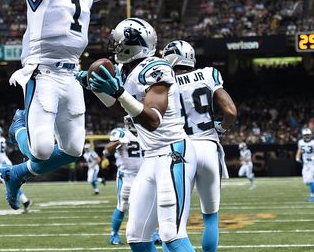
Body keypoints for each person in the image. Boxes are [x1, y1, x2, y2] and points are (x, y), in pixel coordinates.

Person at [0, 0, 156, 209]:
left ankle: (17, 174)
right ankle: (18, 126)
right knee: (41, 148)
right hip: (41, 72)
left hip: (70, 75)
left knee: (71, 149)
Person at [87, 17, 197, 252]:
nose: (114, 44)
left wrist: (117, 92)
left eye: (118, 40)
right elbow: (123, 108)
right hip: (150, 158)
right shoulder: (128, 71)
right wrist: (97, 91)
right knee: (137, 236)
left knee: (172, 234)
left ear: (131, 44)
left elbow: (153, 119)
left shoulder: (156, 68)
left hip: (172, 153)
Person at [162, 39, 238, 252]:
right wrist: (221, 129)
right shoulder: (208, 74)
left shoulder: (163, 81)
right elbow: (231, 112)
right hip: (207, 146)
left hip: (180, 149)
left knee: (175, 222)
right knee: (211, 217)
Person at [103, 117, 144, 245]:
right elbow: (106, 151)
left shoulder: (147, 132)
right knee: (123, 206)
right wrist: (118, 142)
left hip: (144, 175)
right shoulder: (121, 133)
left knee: (147, 205)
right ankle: (114, 234)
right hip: (126, 176)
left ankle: (152, 234)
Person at [0, 125, 31, 213]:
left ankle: (26, 202)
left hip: (2, 166)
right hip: (2, 165)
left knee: (9, 185)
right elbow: (7, 150)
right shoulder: (2, 139)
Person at [295, 127, 314, 202]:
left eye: (308, 135)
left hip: (313, 164)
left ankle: (312, 197)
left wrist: (313, 158)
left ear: (311, 135)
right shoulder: (300, 142)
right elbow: (299, 151)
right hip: (305, 164)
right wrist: (297, 157)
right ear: (302, 135)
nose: (307, 136)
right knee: (306, 182)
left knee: (310, 180)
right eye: (305, 135)